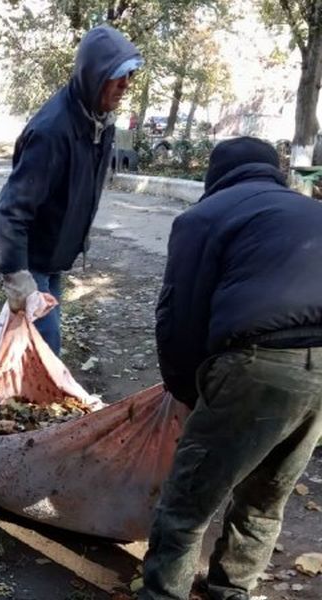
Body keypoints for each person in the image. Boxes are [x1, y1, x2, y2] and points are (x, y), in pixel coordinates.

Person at [139, 137, 322, 600]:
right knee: (266, 497)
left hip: (257, 365)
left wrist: (186, 394)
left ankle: (163, 595)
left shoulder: (203, 218)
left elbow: (178, 319)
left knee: (187, 502)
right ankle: (231, 590)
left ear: (214, 175)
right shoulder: (311, 212)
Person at [0, 24, 143, 399]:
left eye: (131, 76)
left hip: (54, 253)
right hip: (30, 257)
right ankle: (32, 416)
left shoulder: (97, 122)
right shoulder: (53, 131)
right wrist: (17, 276)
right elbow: (10, 212)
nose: (126, 85)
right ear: (94, 74)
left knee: (29, 334)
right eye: (119, 76)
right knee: (45, 343)